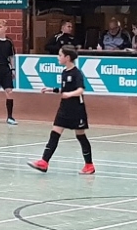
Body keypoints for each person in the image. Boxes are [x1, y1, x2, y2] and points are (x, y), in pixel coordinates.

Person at [28, 46, 95, 175]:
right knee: (54, 133)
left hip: (76, 109)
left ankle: (89, 165)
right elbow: (64, 89)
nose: (58, 57)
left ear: (67, 57)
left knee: (80, 136)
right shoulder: (64, 72)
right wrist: (51, 89)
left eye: (60, 55)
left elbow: (81, 89)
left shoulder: (76, 73)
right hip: (64, 108)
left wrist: (69, 95)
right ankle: (44, 162)